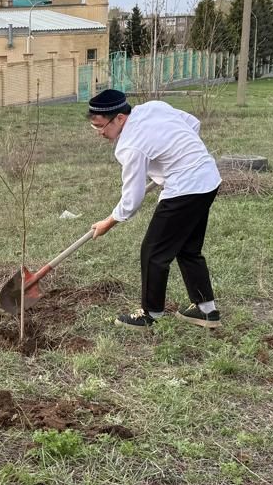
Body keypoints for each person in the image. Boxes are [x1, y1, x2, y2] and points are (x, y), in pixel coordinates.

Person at [86, 88, 223, 330]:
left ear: (119, 118)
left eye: (101, 126)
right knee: (188, 248)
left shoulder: (130, 145)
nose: (99, 133)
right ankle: (206, 310)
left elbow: (132, 198)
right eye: (94, 127)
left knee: (153, 252)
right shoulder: (153, 107)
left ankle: (150, 314)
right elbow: (193, 123)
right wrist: (176, 157)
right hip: (208, 178)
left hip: (186, 188)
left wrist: (109, 222)